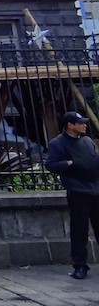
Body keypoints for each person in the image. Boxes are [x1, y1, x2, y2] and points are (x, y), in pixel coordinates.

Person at [44, 111, 99, 279]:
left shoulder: (88, 141)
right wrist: (68, 163)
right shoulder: (57, 144)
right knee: (79, 231)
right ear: (70, 125)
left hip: (96, 190)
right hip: (78, 191)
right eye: (80, 123)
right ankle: (80, 266)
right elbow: (51, 164)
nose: (84, 125)